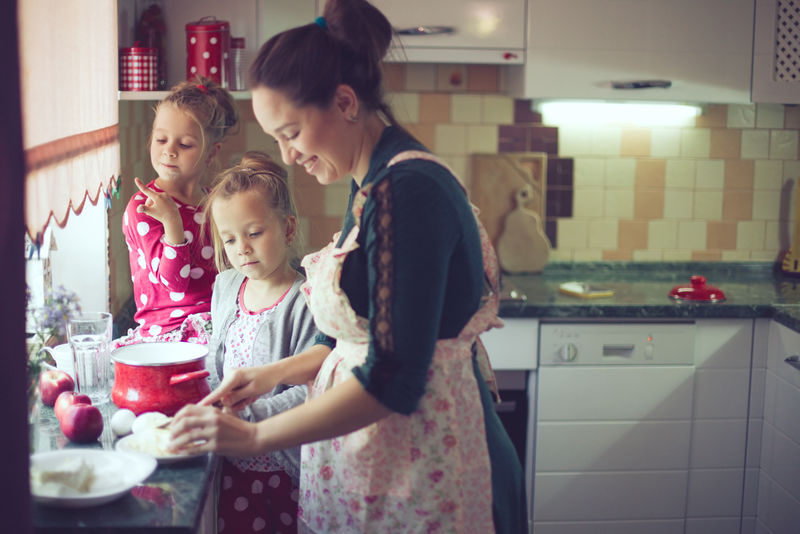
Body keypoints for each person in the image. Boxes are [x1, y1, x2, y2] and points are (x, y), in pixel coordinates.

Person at [169, 1, 527, 532]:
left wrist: (253, 438)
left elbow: (392, 380)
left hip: (436, 467)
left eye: (291, 132)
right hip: (397, 461)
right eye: (277, 139)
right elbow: (362, 337)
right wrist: (269, 375)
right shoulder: (370, 181)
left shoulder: (407, 192)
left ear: (344, 102)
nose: (287, 155)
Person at [202, 151, 321, 533]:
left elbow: (311, 391)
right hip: (229, 466)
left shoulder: (306, 300)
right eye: (230, 238)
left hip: (282, 469)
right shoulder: (225, 286)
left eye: (254, 233)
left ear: (287, 228)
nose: (242, 248)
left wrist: (241, 421)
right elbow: (213, 365)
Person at [115, 78, 239, 348]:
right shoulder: (143, 207)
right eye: (161, 139)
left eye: (184, 145)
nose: (169, 150)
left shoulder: (211, 201)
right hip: (170, 335)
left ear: (211, 153)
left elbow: (229, 264)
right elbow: (174, 283)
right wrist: (172, 221)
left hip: (217, 319)